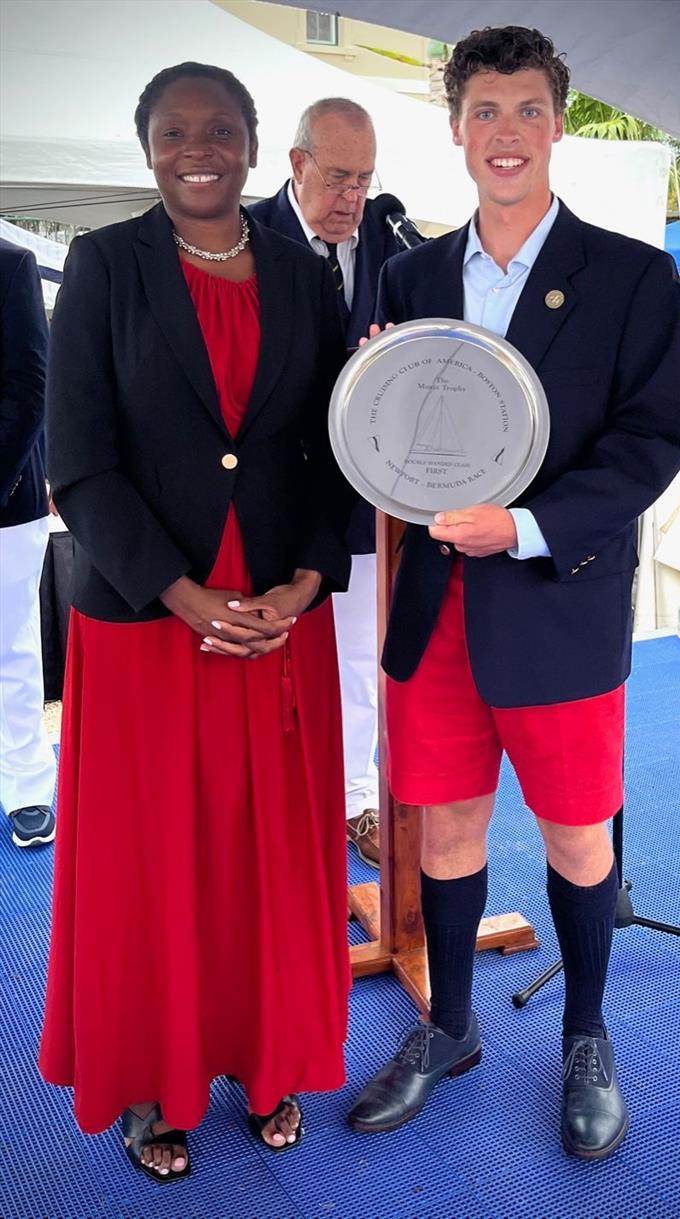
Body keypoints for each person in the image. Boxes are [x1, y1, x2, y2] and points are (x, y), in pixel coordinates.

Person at [346, 26, 680, 1161]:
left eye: (527, 109)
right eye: (484, 111)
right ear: (454, 127)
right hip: (436, 606)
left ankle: (585, 1036)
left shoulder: (632, 274)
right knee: (443, 826)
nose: (505, 133)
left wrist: (527, 524)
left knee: (576, 837)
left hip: (558, 601)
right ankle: (447, 1027)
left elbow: (651, 443)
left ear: (558, 124)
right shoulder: (405, 276)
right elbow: (374, 428)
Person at [39, 62, 352, 1181]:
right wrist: (181, 591)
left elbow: (332, 450)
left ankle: (267, 1061)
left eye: (221, 130)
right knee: (152, 861)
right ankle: (150, 1084)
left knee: (266, 855)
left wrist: (307, 582)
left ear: (255, 145)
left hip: (276, 616)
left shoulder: (301, 273)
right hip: (146, 619)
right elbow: (76, 459)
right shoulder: (104, 266)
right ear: (149, 149)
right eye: (176, 133)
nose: (199, 149)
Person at [250, 99, 405, 868]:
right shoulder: (243, 237)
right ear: (296, 163)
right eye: (338, 177)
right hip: (273, 499)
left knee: (362, 660)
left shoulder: (396, 244)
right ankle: (283, 804)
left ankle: (359, 802)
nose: (352, 196)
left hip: (372, 498)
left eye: (366, 179)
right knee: (278, 668)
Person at [0, 237, 57, 848]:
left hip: (6, 499)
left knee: (10, 644)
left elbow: (29, 389)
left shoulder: (11, 264)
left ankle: (27, 788)